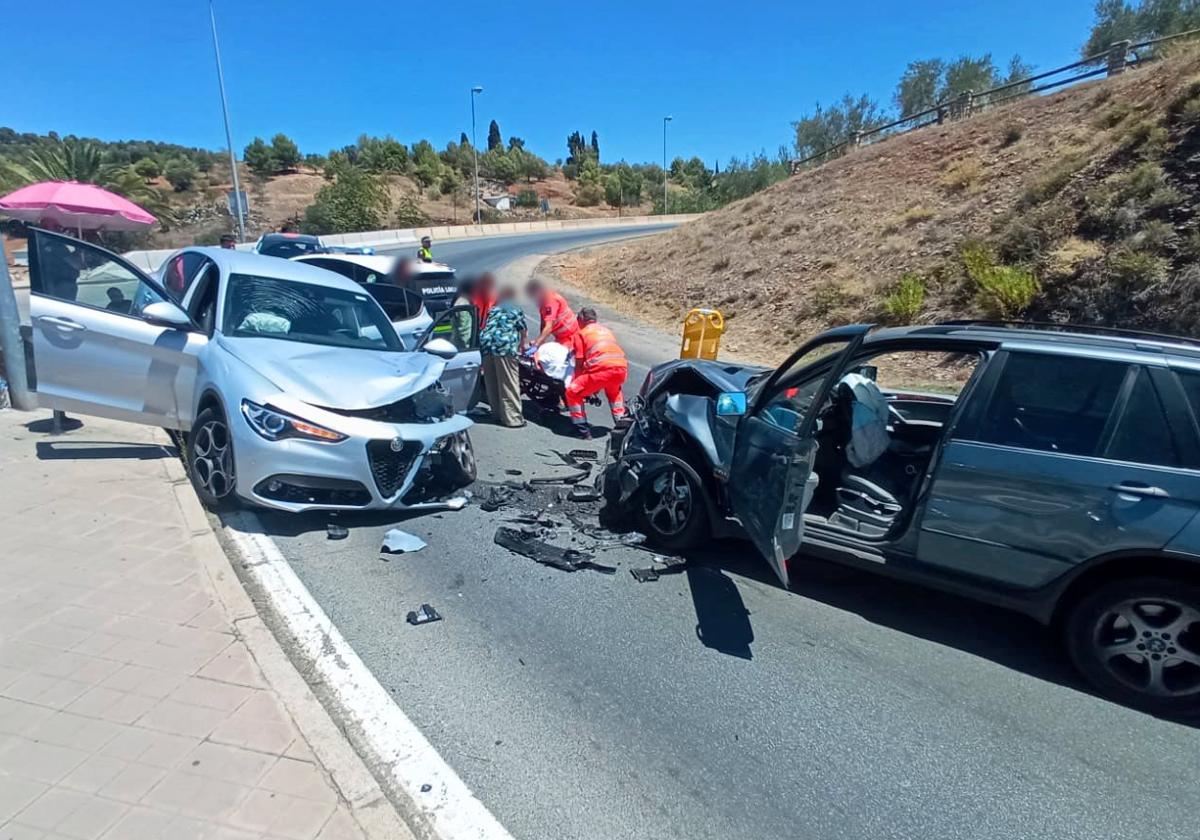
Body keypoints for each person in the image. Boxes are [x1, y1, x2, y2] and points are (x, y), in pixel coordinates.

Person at [566, 307, 628, 439]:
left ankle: (581, 430)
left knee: (572, 392)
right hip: (620, 369)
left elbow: (579, 362)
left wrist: (578, 381)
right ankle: (623, 429)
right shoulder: (606, 331)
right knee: (614, 395)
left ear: (581, 319)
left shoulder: (581, 334)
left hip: (601, 371)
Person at [478, 287, 527, 428]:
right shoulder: (515, 310)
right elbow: (522, 330)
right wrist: (522, 347)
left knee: (492, 381)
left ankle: (497, 415)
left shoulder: (493, 310)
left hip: (486, 345)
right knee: (508, 383)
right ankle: (513, 419)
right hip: (504, 346)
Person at [525, 279, 579, 350]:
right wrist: (540, 341)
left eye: (532, 295)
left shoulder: (550, 301)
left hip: (570, 337)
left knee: (555, 357)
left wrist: (536, 344)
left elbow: (548, 327)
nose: (532, 298)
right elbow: (543, 323)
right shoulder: (542, 301)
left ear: (538, 291)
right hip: (561, 337)